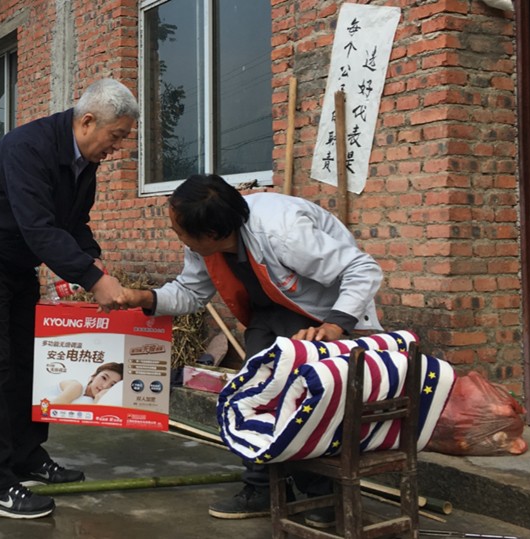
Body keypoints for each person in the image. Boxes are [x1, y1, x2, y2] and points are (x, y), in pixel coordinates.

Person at [116, 173, 383, 525]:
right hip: (266, 314)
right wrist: (140, 297)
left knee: (305, 402)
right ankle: (263, 488)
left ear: (212, 234)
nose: (176, 235)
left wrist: (334, 326)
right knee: (253, 395)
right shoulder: (205, 241)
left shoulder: (283, 232)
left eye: (180, 231)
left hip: (319, 317)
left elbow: (362, 269)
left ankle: (324, 493)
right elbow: (191, 293)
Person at [0, 78, 139, 519]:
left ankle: (26, 457)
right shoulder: (29, 149)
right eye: (116, 136)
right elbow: (38, 226)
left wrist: (92, 259)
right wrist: (93, 279)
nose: (117, 148)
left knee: (28, 362)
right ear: (87, 121)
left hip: (17, 261)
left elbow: (74, 222)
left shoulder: (84, 161)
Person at [49, 362, 124, 405]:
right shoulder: (76, 386)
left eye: (112, 385)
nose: (105, 386)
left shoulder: (99, 401)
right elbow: (52, 410)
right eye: (104, 378)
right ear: (94, 376)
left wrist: (97, 401)